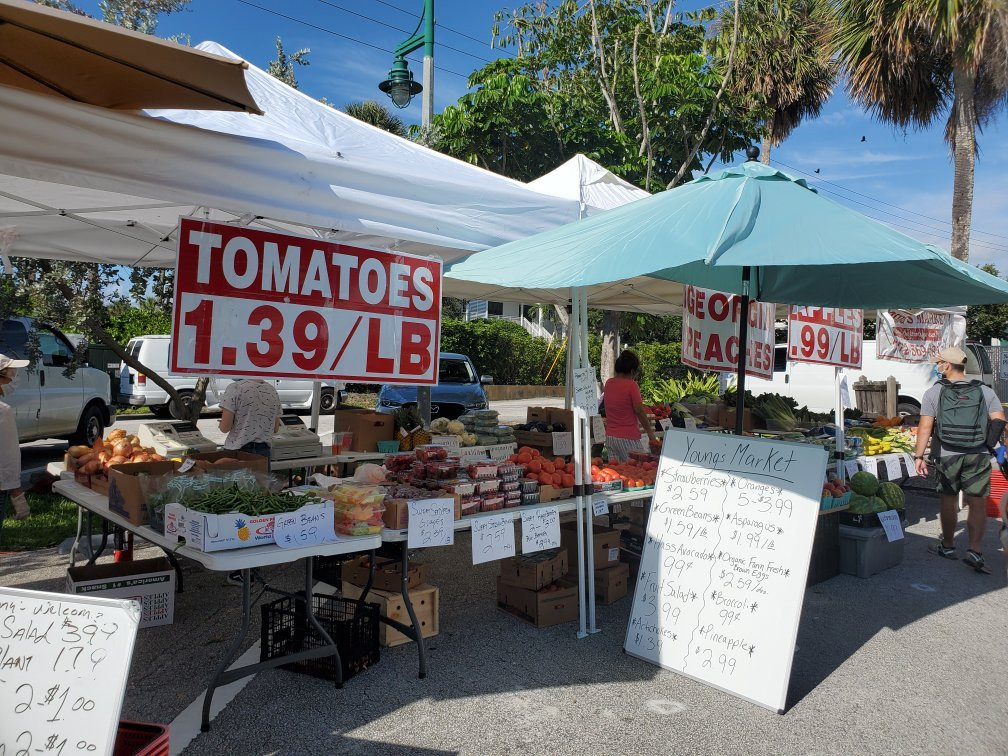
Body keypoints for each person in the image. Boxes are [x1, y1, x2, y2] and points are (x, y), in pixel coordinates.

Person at [913, 347, 1005, 573]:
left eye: (939, 363)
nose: (937, 366)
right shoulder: (984, 390)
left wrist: (919, 456)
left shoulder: (935, 392)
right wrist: (988, 444)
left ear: (947, 365)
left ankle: (948, 545)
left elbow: (925, 428)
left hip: (947, 453)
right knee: (977, 502)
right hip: (978, 454)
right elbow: (1000, 420)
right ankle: (975, 550)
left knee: (948, 499)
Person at [603, 350, 658, 462]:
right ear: (632, 371)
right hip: (628, 438)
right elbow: (639, 411)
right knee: (639, 471)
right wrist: (650, 433)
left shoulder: (608, 383)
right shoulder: (632, 385)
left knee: (617, 473)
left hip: (610, 437)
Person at [0, 353, 31, 536]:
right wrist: (17, 494)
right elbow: (7, 456)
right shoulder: (3, 411)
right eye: (11, 374)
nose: (14, 378)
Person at [218, 378, 282, 462]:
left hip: (237, 451)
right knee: (262, 476)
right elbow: (275, 428)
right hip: (263, 452)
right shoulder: (272, 390)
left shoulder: (235, 387)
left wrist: (221, 424)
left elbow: (225, 428)